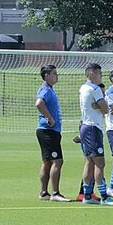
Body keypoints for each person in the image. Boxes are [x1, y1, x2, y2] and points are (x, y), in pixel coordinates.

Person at [79, 63, 113, 206]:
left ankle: (87, 194)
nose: (100, 77)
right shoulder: (95, 89)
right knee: (99, 163)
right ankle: (103, 196)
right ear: (91, 73)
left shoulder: (83, 88)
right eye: (99, 74)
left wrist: (101, 105)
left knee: (89, 162)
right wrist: (102, 105)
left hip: (85, 126)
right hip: (92, 128)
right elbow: (105, 109)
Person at [35, 65, 70, 202]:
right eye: (54, 74)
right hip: (48, 131)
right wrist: (49, 118)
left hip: (48, 131)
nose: (57, 76)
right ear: (47, 76)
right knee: (57, 161)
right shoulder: (46, 90)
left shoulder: (49, 89)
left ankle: (44, 192)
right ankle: (55, 193)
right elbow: (39, 103)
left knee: (47, 162)